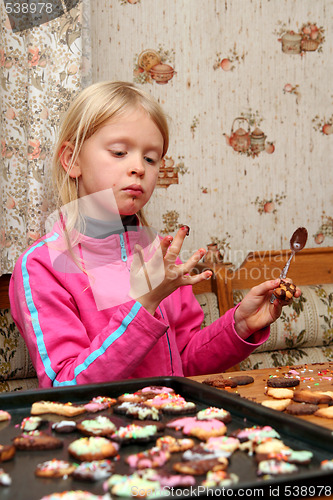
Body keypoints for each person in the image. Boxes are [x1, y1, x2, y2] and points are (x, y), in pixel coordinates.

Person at [9, 81, 300, 388]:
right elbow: (65, 386)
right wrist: (145, 304)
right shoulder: (42, 265)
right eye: (120, 152)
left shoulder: (160, 254)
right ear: (73, 160)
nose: (138, 167)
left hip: (175, 426)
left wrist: (239, 325)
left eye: (151, 158)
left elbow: (184, 363)